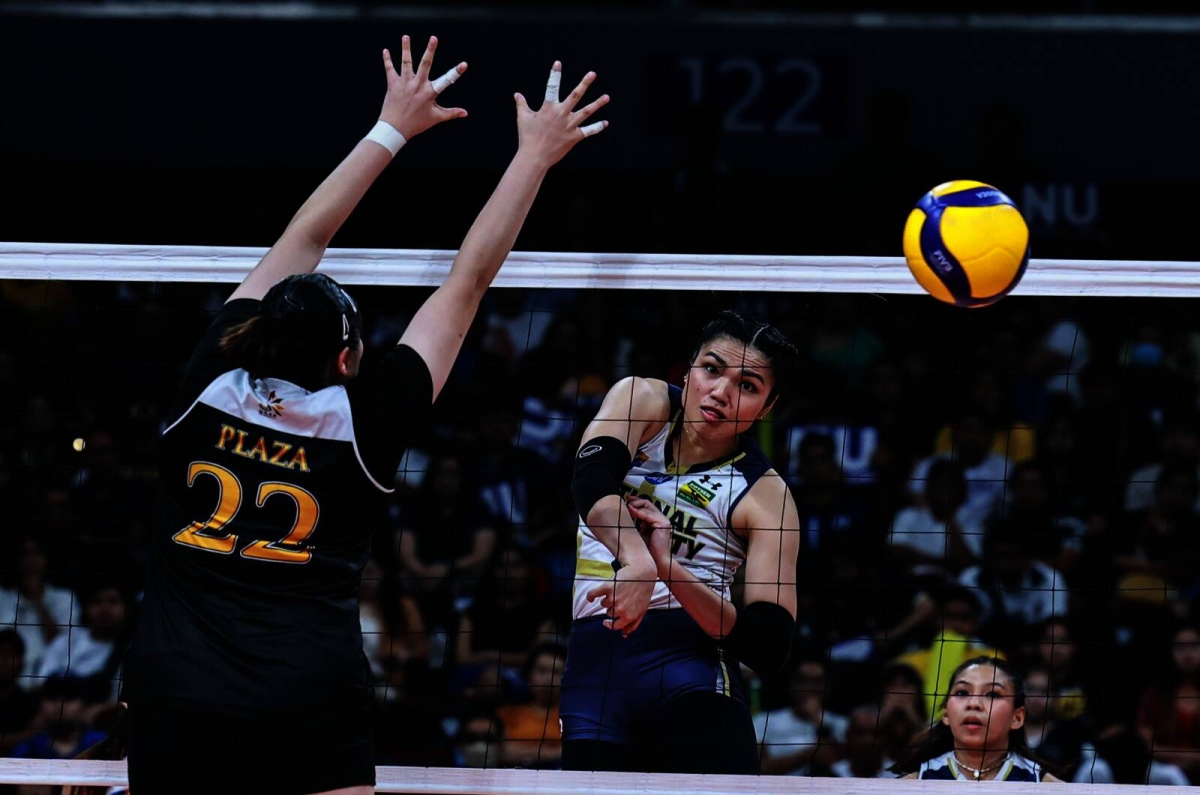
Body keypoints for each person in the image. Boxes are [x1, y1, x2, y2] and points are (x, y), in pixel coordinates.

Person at [119, 35, 609, 795]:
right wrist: (533, 157)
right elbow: (468, 281)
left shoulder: (206, 377)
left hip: (176, 685)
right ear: (347, 359)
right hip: (306, 692)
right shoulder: (366, 425)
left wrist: (390, 127)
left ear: (254, 328)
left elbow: (304, 238)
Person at [560, 311, 801, 774]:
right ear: (689, 367)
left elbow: (769, 646)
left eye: (748, 386)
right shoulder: (642, 398)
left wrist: (669, 568)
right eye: (712, 369)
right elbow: (589, 476)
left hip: (690, 670)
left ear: (767, 407)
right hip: (595, 669)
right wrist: (639, 562)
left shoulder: (767, 494)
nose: (721, 393)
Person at [893, 656, 1062, 782]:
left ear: (1017, 717)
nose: (974, 703)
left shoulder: (1044, 786)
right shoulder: (915, 782)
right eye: (962, 693)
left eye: (992, 694)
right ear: (946, 714)